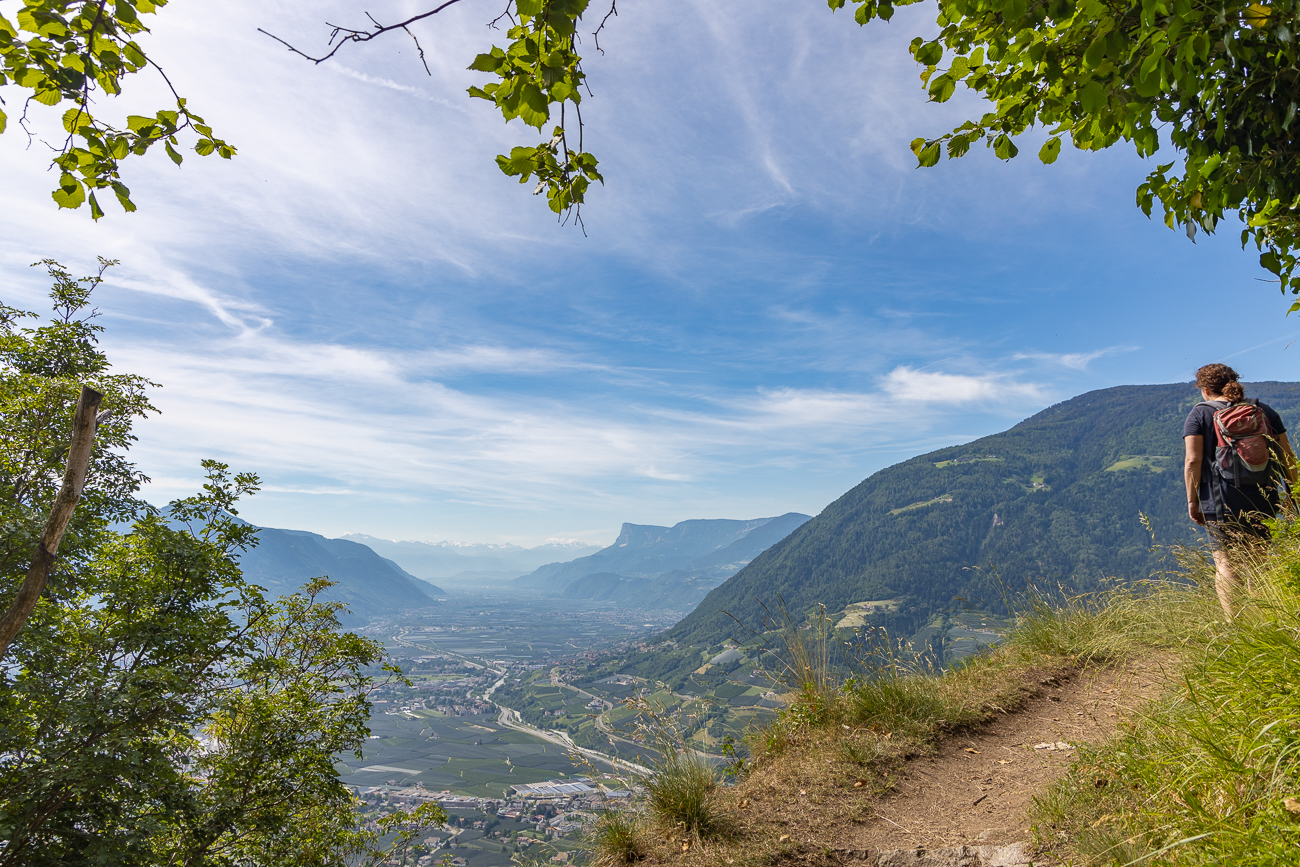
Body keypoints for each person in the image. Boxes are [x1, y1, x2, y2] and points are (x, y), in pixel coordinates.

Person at [1183, 363, 1297, 618]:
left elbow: (1192, 461)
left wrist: (1193, 501)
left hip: (1220, 499)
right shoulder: (1263, 411)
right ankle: (1263, 622)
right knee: (1259, 562)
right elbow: (1287, 455)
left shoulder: (1200, 414)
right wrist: (1293, 492)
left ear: (1205, 389)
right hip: (1264, 494)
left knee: (1226, 563)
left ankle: (1235, 626)